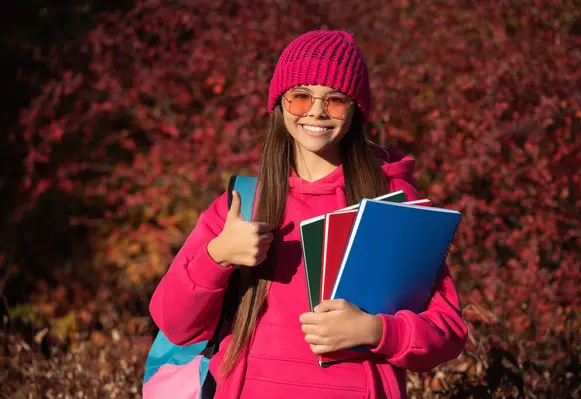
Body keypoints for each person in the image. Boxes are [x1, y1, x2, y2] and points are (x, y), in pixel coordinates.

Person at [149, 29, 468, 399]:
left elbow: (446, 330)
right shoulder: (242, 204)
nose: (316, 111)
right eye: (300, 96)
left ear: (355, 111)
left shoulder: (391, 204)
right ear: (280, 104)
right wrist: (216, 257)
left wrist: (375, 331)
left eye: (335, 100)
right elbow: (176, 325)